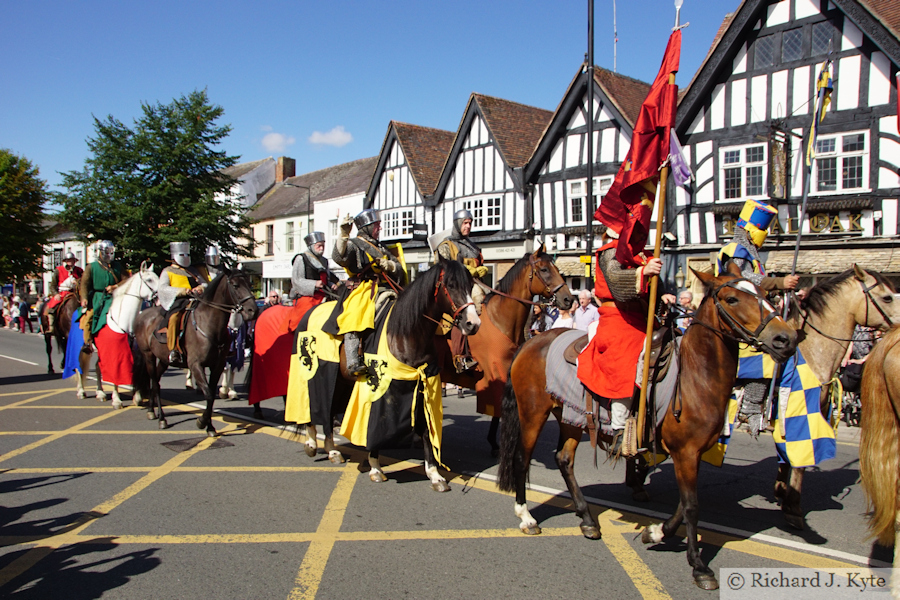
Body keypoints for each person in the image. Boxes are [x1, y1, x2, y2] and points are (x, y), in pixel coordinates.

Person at [576, 222, 668, 456]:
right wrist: (642, 272)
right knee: (625, 358)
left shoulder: (644, 254)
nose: (639, 232)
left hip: (644, 317)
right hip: (617, 318)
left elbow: (655, 287)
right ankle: (618, 427)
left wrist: (663, 294)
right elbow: (616, 281)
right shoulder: (610, 251)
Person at [715, 199, 800, 435]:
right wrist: (778, 283)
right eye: (762, 229)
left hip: (751, 307)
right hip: (735, 313)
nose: (764, 234)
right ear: (750, 228)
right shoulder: (735, 249)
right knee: (761, 353)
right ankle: (750, 406)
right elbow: (741, 279)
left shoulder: (751, 253)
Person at [327, 209, 404, 376]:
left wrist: (390, 266)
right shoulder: (355, 244)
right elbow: (339, 258)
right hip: (363, 287)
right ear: (367, 227)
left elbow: (398, 267)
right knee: (355, 316)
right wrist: (343, 236)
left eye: (379, 225)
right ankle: (353, 360)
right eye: (376, 225)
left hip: (386, 286)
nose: (379, 228)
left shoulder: (381, 246)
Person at [437, 209, 488, 371]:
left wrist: (482, 269)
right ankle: (460, 356)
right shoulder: (446, 245)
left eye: (470, 223)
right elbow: (443, 269)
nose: (468, 226)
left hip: (474, 283)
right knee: (464, 311)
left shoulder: (473, 246)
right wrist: (467, 271)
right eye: (465, 223)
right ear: (457, 224)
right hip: (456, 288)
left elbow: (480, 263)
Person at [157, 241, 211, 367]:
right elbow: (163, 288)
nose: (185, 257)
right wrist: (181, 291)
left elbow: (205, 283)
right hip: (178, 301)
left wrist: (200, 288)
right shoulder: (167, 271)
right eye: (182, 254)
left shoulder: (193, 270)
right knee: (174, 318)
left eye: (187, 254)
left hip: (196, 299)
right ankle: (173, 349)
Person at [79, 240, 127, 352]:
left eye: (111, 252)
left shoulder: (117, 266)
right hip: (98, 297)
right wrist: (84, 298)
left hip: (115, 297)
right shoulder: (92, 267)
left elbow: (126, 280)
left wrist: (115, 286)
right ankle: (87, 343)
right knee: (88, 318)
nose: (109, 255)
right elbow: (85, 284)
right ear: (100, 252)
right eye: (106, 252)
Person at [288, 231, 340, 328]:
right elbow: (296, 280)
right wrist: (314, 284)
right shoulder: (301, 258)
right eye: (319, 246)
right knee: (302, 321)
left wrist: (331, 284)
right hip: (308, 297)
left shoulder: (324, 261)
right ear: (311, 246)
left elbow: (326, 279)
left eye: (323, 246)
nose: (322, 248)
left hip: (324, 296)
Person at [46, 251, 84, 334]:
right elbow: (52, 285)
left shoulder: (79, 270)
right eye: (69, 260)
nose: (70, 262)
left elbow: (83, 282)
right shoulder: (58, 270)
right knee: (52, 307)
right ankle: (51, 326)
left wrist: (77, 282)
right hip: (62, 292)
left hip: (76, 292)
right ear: (66, 261)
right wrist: (55, 294)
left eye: (72, 260)